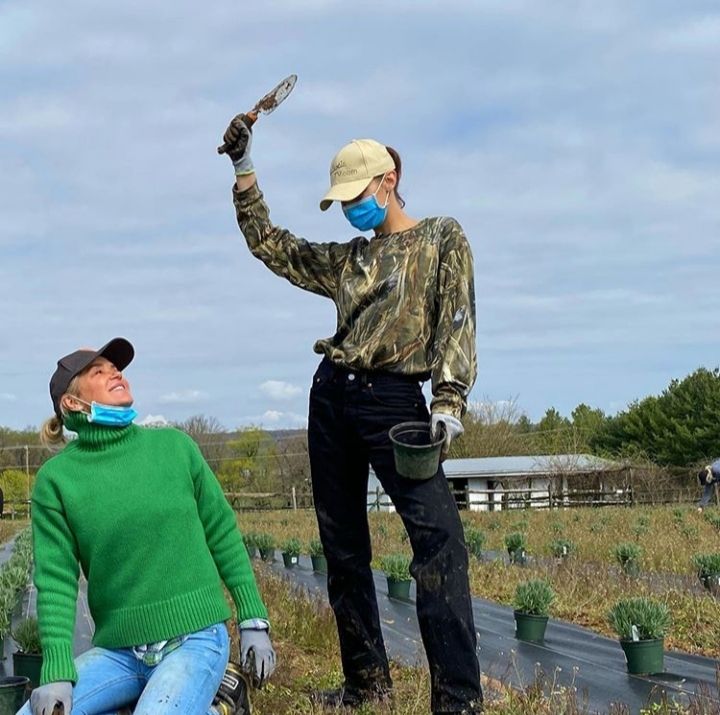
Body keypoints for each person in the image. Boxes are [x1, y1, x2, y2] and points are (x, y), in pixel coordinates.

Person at [219, 115, 482, 714]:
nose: (349, 211)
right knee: (342, 548)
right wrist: (243, 170)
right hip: (333, 396)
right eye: (341, 203)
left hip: (396, 406)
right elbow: (274, 247)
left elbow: (457, 323)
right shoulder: (347, 262)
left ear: (388, 181)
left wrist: (447, 402)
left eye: (357, 197)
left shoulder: (441, 238)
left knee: (439, 543)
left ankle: (458, 700)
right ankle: (366, 683)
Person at [21, 338, 275, 715]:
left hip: (196, 637)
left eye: (116, 368)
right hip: (119, 653)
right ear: (72, 403)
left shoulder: (175, 448)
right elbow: (55, 580)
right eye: (99, 371)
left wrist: (254, 619)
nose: (116, 373)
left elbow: (222, 533)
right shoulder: (56, 480)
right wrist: (56, 670)